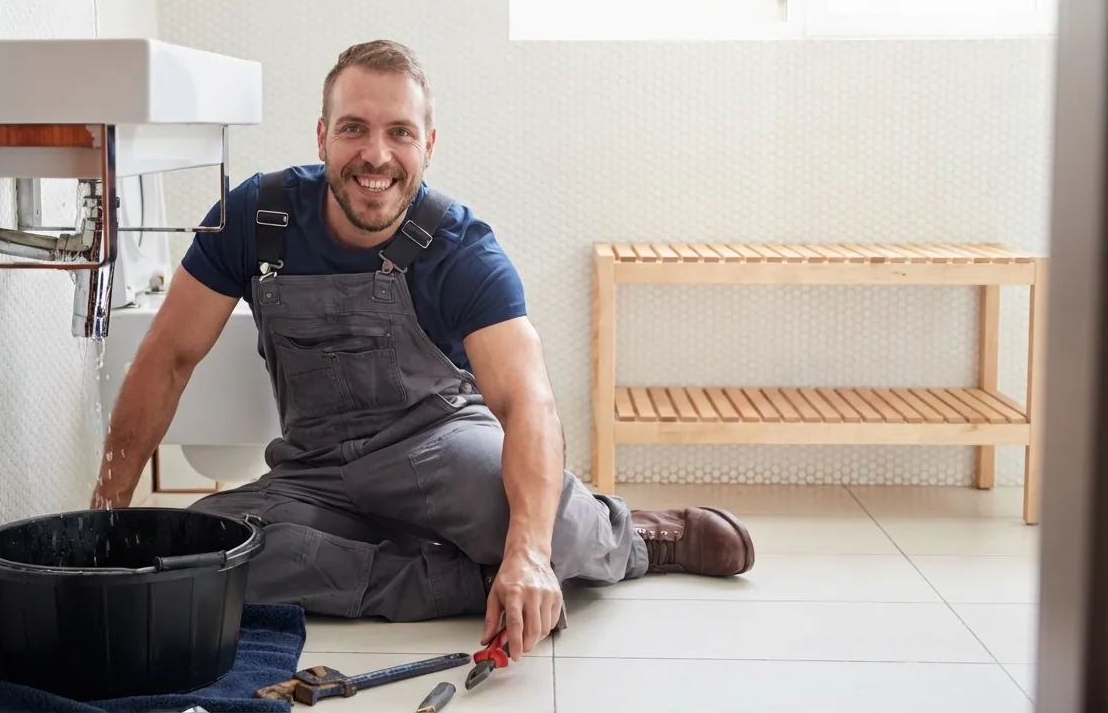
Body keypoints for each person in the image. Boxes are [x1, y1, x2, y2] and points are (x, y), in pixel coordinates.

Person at [90, 39, 755, 662]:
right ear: (322, 136)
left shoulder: (462, 248)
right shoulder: (254, 219)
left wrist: (527, 547)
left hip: (438, 448)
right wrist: (107, 514)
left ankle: (628, 537)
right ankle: (468, 579)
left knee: (543, 519)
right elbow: (167, 357)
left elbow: (528, 402)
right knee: (204, 563)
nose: (375, 155)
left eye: (398, 132)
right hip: (313, 472)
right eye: (353, 128)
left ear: (427, 146)